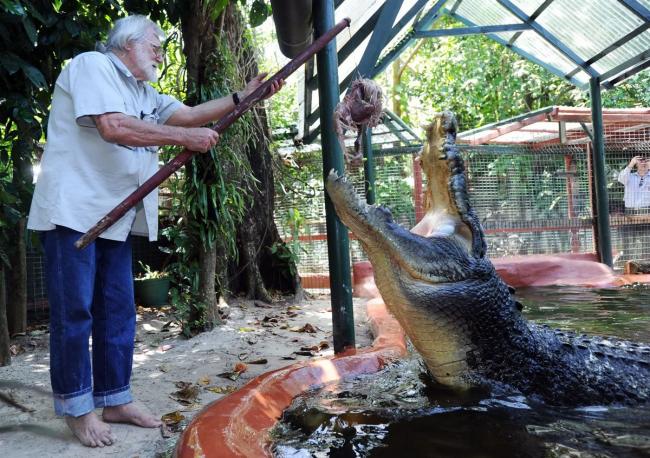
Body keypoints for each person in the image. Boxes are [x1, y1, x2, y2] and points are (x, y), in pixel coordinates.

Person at [27, 15, 281, 448]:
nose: (161, 54)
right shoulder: (93, 66)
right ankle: (77, 408)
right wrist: (185, 140)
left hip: (115, 218)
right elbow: (114, 127)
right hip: (74, 212)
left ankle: (114, 398)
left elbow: (188, 115)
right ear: (126, 45)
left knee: (118, 310)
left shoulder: (142, 91)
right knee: (76, 313)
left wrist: (245, 96)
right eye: (155, 46)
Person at [617, 155, 650, 259]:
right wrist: (631, 164)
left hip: (647, 213)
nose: (643, 163)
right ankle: (628, 263)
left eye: (646, 160)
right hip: (630, 214)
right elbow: (621, 179)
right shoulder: (630, 176)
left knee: (647, 243)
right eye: (640, 160)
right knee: (628, 243)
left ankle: (646, 264)